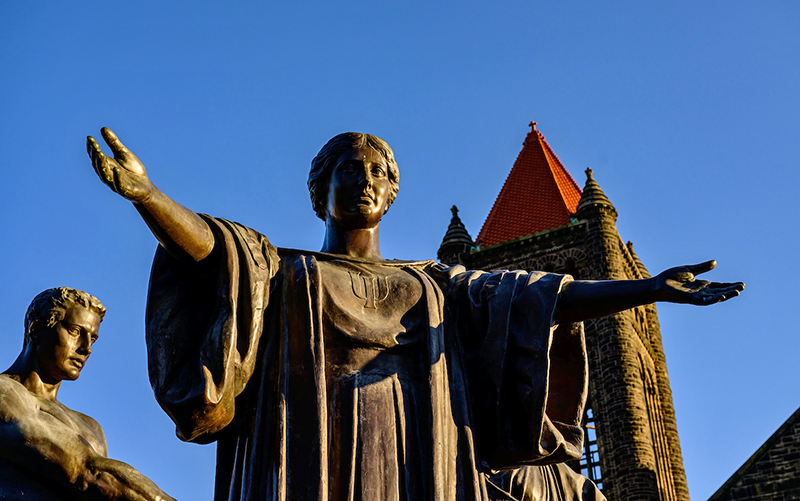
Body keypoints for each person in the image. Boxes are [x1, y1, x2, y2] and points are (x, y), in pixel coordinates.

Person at [87, 128, 743, 501]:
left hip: (417, 465)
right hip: (303, 459)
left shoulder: (434, 283)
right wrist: (148, 195)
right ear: (323, 188)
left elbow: (540, 293)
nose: (365, 178)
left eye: (378, 170)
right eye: (349, 168)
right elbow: (210, 249)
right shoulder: (283, 270)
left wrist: (646, 290)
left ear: (393, 192)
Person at [0, 287, 175, 501]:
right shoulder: (5, 393)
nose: (86, 348)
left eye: (93, 339)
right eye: (75, 331)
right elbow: (87, 473)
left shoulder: (90, 427)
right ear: (35, 330)